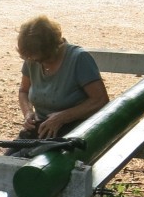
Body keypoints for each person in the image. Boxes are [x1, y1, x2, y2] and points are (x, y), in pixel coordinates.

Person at [12, 14, 109, 144]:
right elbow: (23, 91)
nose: (35, 62)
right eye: (31, 58)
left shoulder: (79, 58)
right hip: (42, 129)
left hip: (76, 132)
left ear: (51, 49)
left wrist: (62, 117)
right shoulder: (32, 58)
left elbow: (100, 100)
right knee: (7, 160)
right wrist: (28, 113)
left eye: (41, 59)